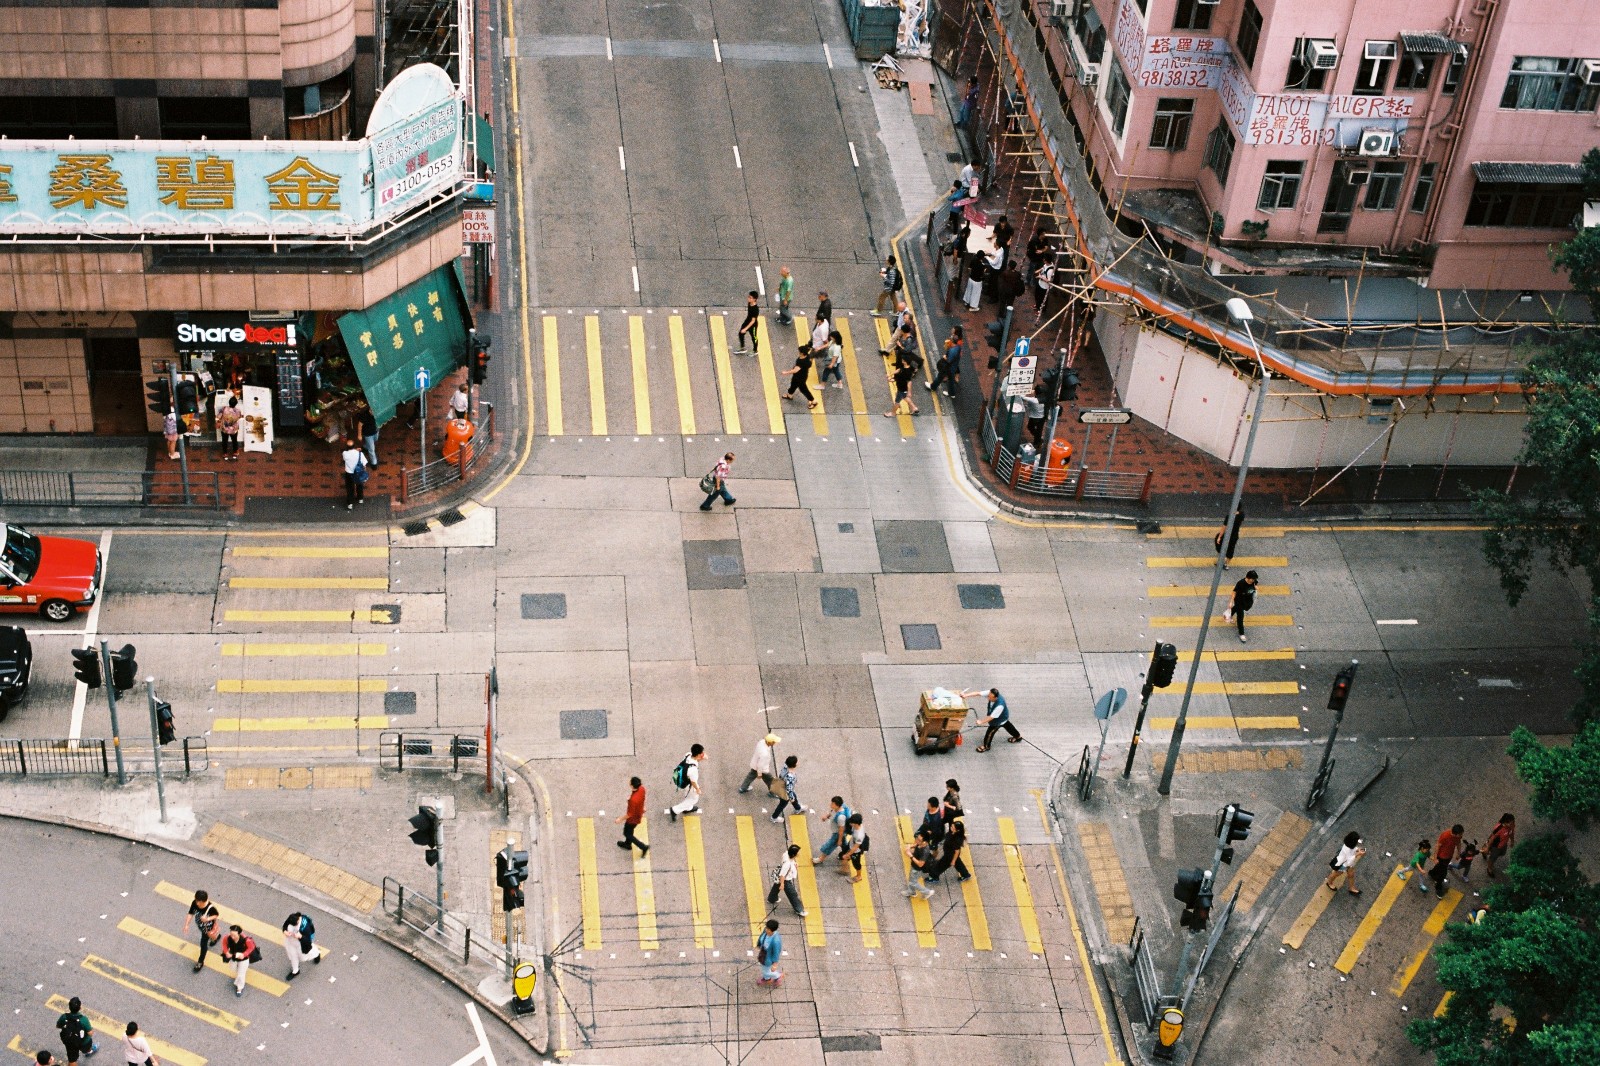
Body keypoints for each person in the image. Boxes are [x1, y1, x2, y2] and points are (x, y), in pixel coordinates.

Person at [965, 687, 1021, 751]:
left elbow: (991, 717)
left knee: (990, 733)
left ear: (996, 698)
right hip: (1003, 716)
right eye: (988, 696)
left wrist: (981, 722)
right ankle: (1018, 737)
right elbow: (978, 693)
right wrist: (966, 695)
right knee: (1007, 725)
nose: (988, 698)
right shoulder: (990, 693)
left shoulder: (999, 706)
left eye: (990, 697)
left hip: (998, 720)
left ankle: (986, 746)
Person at [182, 889, 220, 972]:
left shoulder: (210, 908)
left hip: (207, 928)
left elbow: (216, 915)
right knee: (212, 936)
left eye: (197, 901)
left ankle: (200, 961)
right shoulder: (195, 903)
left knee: (203, 944)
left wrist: (207, 919)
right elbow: (190, 913)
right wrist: (187, 925)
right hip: (201, 926)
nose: (196, 902)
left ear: (202, 901)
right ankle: (215, 938)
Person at [928, 813, 971, 884]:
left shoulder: (957, 839)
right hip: (949, 853)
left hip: (949, 856)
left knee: (940, 866)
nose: (951, 828)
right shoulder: (953, 833)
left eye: (953, 828)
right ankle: (965, 874)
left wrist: (953, 861)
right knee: (958, 864)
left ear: (957, 830)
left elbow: (957, 851)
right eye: (951, 826)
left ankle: (934, 877)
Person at [767, 843, 807, 917]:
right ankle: (799, 910)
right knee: (792, 894)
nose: (799, 853)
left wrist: (794, 864)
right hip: (786, 880)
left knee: (776, 887)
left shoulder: (786, 854)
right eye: (798, 852)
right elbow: (782, 875)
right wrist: (782, 884)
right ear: (794, 855)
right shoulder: (787, 864)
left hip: (782, 877)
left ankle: (772, 898)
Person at [669, 744, 706, 821]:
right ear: (698, 755)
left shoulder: (688, 755)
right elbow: (693, 782)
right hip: (690, 784)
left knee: (688, 795)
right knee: (693, 799)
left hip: (685, 780)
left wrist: (701, 758)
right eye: (702, 753)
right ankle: (675, 810)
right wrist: (698, 789)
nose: (703, 754)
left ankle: (688, 808)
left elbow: (695, 761)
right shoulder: (693, 770)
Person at [54, 996, 96, 1062]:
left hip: (70, 1042)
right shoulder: (84, 1019)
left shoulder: (64, 1016)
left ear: (69, 1007)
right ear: (80, 1008)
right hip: (83, 1042)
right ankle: (88, 1051)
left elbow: (58, 1026)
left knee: (72, 1060)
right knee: (87, 1046)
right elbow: (90, 1033)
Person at [813, 796, 853, 864]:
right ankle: (847, 852)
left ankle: (821, 859)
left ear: (837, 805)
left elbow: (841, 830)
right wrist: (826, 817)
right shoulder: (840, 807)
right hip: (842, 833)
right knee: (844, 845)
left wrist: (839, 840)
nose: (830, 804)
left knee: (829, 845)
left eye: (832, 804)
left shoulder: (841, 817)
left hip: (838, 834)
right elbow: (832, 812)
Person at [615, 776, 649, 856]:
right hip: (639, 813)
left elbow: (629, 814)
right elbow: (642, 798)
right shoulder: (642, 789)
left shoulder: (633, 800)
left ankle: (643, 847)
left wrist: (620, 819)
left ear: (632, 786)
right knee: (629, 831)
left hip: (632, 819)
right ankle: (628, 844)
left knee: (627, 833)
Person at [220, 924, 257, 998]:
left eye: (234, 935)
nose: (232, 937)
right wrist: (226, 952)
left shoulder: (246, 940)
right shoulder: (227, 938)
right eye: (231, 934)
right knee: (233, 968)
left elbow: (251, 947)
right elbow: (224, 944)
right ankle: (240, 973)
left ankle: (239, 988)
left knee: (241, 974)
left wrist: (244, 954)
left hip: (244, 959)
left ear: (239, 934)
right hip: (233, 957)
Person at [1427, 824, 1464, 896]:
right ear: (1455, 834)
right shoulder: (1445, 836)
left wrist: (1458, 853)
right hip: (1441, 857)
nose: (1461, 836)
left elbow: (1458, 843)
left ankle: (1432, 873)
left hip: (1449, 856)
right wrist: (1435, 858)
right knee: (1443, 873)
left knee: (1440, 867)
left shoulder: (1458, 837)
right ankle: (1438, 887)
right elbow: (1438, 846)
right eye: (1460, 834)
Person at [281, 911, 319, 980]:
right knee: (293, 956)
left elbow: (308, 941)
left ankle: (317, 954)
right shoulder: (292, 919)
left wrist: (300, 937)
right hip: (291, 943)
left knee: (306, 955)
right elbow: (285, 925)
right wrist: (285, 931)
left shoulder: (305, 927)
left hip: (301, 945)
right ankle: (295, 971)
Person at [883, 350, 920, 418]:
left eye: (903, 360)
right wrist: (890, 374)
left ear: (905, 362)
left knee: (897, 401)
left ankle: (893, 413)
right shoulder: (908, 367)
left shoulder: (906, 372)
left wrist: (909, 392)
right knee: (905, 397)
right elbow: (899, 370)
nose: (902, 360)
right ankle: (915, 409)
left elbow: (909, 382)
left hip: (902, 389)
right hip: (903, 388)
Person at [1225, 571, 1258, 643]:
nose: (1253, 580)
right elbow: (1234, 592)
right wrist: (1231, 601)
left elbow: (1255, 586)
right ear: (1248, 578)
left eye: (1254, 579)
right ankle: (1241, 633)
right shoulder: (1241, 583)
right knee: (1240, 617)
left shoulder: (1254, 582)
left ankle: (1228, 615)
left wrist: (1255, 588)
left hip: (1248, 601)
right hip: (1239, 600)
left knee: (1236, 608)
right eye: (1252, 579)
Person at [780, 345, 817, 409]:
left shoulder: (801, 361)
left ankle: (813, 401)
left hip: (800, 377)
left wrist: (785, 372)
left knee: (803, 389)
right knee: (793, 384)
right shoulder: (807, 356)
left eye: (799, 351)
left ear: (802, 353)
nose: (798, 352)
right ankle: (789, 395)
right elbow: (810, 363)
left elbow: (795, 370)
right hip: (802, 375)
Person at [929, 326, 962, 397]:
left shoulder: (952, 351)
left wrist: (945, 357)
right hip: (953, 367)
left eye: (951, 338)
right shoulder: (958, 347)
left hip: (948, 368)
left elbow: (949, 361)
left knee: (940, 376)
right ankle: (952, 394)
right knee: (951, 381)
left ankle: (932, 387)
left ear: (952, 341)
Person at [903, 829, 935, 899]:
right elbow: (916, 844)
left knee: (913, 882)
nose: (916, 840)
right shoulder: (920, 843)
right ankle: (912, 892)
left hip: (917, 869)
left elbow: (920, 864)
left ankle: (927, 892)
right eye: (917, 838)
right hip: (914, 866)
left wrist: (910, 855)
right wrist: (910, 846)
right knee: (911, 879)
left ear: (925, 842)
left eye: (919, 840)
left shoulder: (925, 851)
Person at [838, 813, 869, 883]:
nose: (850, 823)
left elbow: (855, 848)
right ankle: (844, 869)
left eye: (852, 823)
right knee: (843, 855)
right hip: (851, 844)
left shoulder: (859, 835)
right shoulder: (857, 826)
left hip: (856, 851)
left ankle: (859, 876)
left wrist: (848, 854)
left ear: (856, 824)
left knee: (856, 864)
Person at [771, 754, 801, 823]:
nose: (798, 762)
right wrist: (791, 799)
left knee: (794, 795)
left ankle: (798, 808)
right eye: (797, 762)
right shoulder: (790, 776)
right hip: (784, 792)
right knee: (782, 805)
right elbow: (789, 790)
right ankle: (774, 817)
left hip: (781, 786)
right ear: (794, 765)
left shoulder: (785, 767)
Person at [340, 439, 368, 511]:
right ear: (354, 446)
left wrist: (355, 450)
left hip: (349, 473)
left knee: (350, 488)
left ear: (347, 447)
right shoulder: (360, 454)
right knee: (359, 485)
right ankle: (360, 498)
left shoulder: (345, 454)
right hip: (358, 473)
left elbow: (346, 455)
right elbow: (364, 463)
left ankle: (350, 504)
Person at [1485, 813, 1515, 878]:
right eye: (1511, 823)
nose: (1513, 825)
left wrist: (1512, 841)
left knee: (1503, 853)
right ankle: (1489, 868)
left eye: (1513, 822)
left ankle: (1488, 851)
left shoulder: (1511, 826)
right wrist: (1487, 848)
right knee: (1492, 858)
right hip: (1496, 847)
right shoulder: (1499, 828)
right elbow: (1492, 839)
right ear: (1505, 822)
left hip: (1504, 844)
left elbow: (1511, 833)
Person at [756, 919, 783, 986]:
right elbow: (761, 936)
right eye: (766, 928)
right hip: (763, 953)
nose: (766, 930)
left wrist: (775, 964)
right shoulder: (766, 931)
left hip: (768, 957)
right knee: (764, 968)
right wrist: (759, 944)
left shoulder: (776, 941)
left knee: (766, 971)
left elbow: (776, 952)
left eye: (768, 929)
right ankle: (766, 979)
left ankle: (778, 976)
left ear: (773, 930)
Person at [735, 290, 760, 354]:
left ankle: (755, 350)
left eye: (750, 298)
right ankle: (742, 348)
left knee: (754, 338)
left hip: (753, 325)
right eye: (748, 297)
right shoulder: (749, 303)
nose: (748, 298)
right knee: (741, 333)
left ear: (754, 299)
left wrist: (745, 329)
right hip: (747, 321)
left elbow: (753, 321)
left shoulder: (755, 309)